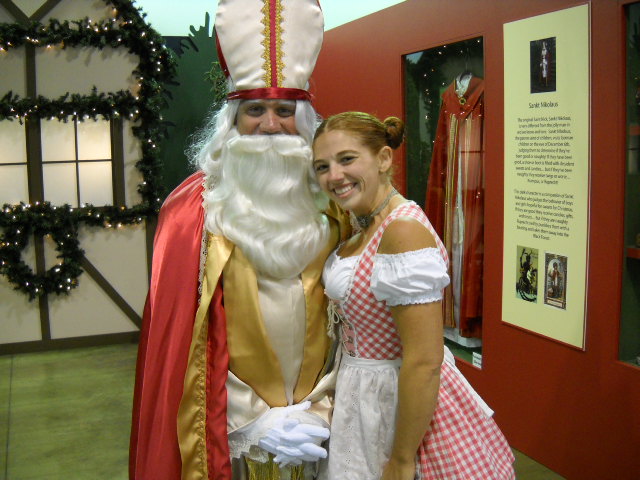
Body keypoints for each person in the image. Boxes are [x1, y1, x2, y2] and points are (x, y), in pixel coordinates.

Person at [129, 2, 349, 479]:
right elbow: (184, 345)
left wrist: (323, 408)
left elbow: (359, 324)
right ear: (231, 121)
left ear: (304, 121)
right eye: (255, 110)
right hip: (231, 437)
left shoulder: (336, 206)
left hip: (325, 431)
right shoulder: (192, 211)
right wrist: (253, 421)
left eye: (284, 111)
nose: (270, 125)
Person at [312, 112, 515, 479]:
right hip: (363, 393)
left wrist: (402, 459)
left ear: (383, 159)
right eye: (322, 166)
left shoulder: (402, 230)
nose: (334, 176)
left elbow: (424, 360)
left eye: (347, 159)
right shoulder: (364, 225)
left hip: (397, 400)